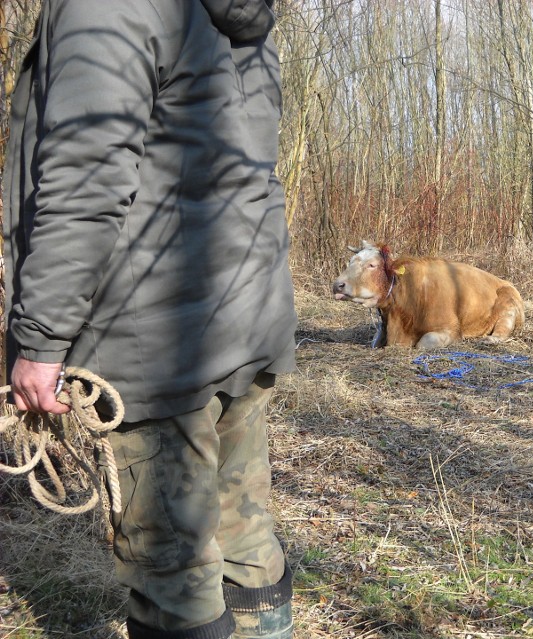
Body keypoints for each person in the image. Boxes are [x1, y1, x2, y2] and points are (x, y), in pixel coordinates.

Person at [2, 1, 298, 637]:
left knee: (174, 576)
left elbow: (86, 184)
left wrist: (40, 338)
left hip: (154, 346)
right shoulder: (236, 15)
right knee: (246, 538)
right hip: (244, 320)